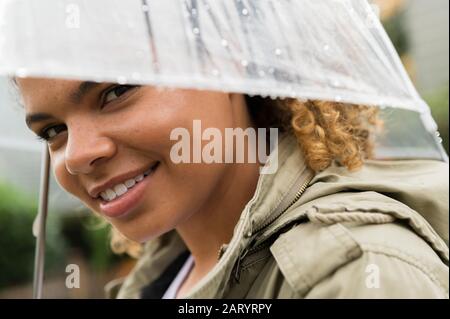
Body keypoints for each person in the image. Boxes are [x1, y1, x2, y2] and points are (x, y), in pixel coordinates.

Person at [16, 78, 449, 298]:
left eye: (116, 91)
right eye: (53, 129)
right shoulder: (166, 267)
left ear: (226, 66)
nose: (75, 155)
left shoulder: (358, 271)